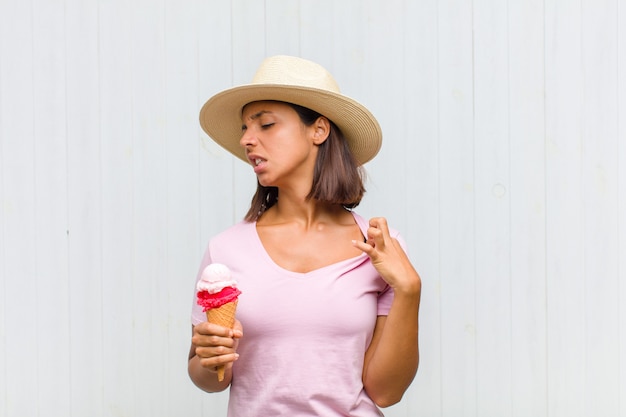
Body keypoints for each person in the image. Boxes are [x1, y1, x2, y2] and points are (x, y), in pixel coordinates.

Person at [188, 55, 421, 417]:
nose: (247, 139)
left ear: (319, 130)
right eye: (245, 128)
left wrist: (409, 289)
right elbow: (209, 380)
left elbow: (386, 392)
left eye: (265, 124)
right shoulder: (225, 250)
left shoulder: (379, 250)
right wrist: (208, 357)